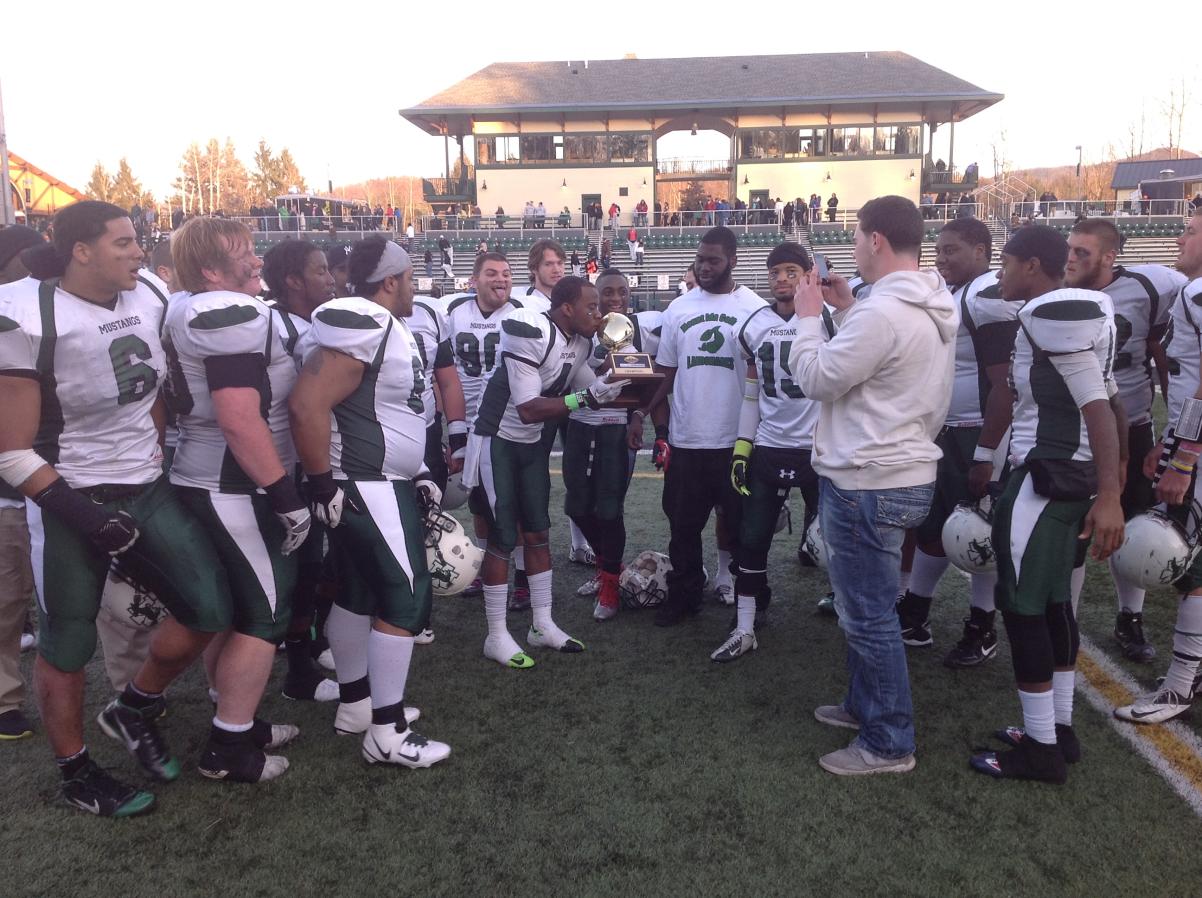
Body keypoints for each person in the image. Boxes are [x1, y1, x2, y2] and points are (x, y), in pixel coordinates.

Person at [0, 202, 233, 815]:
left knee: (209, 605)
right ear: (81, 251)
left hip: (146, 481)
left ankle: (131, 706)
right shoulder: (27, 314)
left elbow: (155, 388)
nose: (139, 252)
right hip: (68, 494)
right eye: (123, 242)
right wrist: (86, 518)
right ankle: (76, 771)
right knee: (66, 640)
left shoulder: (151, 291)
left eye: (138, 240)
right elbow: (10, 452)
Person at [789, 195, 957, 776]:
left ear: (876, 240)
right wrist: (845, 308)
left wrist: (809, 315)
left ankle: (888, 742)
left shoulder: (883, 313)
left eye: (858, 237)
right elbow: (878, 364)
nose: (854, 247)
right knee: (874, 605)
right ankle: (866, 706)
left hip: (868, 477)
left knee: (867, 615)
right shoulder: (921, 302)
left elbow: (816, 377)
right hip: (900, 468)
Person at [968, 225, 1124, 784]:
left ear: (1032, 266)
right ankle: (1058, 729)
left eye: (1006, 264)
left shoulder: (1048, 313)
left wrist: (1112, 494)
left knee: (1023, 610)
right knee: (1055, 605)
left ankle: (1039, 751)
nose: (1000, 274)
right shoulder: (1065, 313)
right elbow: (1112, 400)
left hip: (1046, 481)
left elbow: (1098, 407)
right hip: (1067, 479)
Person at [288, 239, 448, 767]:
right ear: (389, 281)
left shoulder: (387, 327)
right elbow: (307, 403)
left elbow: (388, 408)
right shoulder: (363, 321)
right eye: (408, 276)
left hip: (380, 476)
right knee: (405, 597)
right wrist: (320, 482)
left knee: (356, 592)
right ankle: (388, 733)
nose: (414, 285)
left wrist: (419, 468)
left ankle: (357, 704)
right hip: (364, 480)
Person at [165, 216, 311, 783]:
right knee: (266, 613)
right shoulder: (229, 312)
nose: (256, 260)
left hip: (207, 476)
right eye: (242, 252)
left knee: (233, 609)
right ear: (209, 270)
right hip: (234, 482)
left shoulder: (184, 305)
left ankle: (239, 719)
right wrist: (283, 491)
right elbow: (237, 416)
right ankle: (227, 749)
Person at [463, 276, 623, 668]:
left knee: (537, 531)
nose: (598, 315)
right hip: (497, 439)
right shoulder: (531, 330)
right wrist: (588, 395)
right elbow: (529, 407)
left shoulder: (581, 342)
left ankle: (542, 624)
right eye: (591, 307)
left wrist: (621, 369)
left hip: (532, 444)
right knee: (503, 535)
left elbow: (592, 389)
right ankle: (497, 634)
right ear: (566, 308)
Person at [627, 227, 767, 627]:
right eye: (700, 259)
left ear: (733, 261)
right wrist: (640, 413)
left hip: (737, 440)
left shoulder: (755, 308)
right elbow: (666, 371)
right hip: (688, 440)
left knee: (743, 529)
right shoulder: (679, 309)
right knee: (683, 527)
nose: (704, 267)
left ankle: (749, 599)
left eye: (713, 260)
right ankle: (685, 596)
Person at [1064, 219, 1187, 661]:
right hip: (1076, 431)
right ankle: (1069, 621)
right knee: (1077, 526)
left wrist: (1174, 427)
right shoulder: (1061, 295)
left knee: (1133, 523)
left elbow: (1162, 355)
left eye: (1082, 251)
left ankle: (1129, 617)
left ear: (1110, 256)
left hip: (1133, 424)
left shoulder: (1148, 288)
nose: (1072, 258)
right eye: (1070, 249)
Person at [899, 218, 1017, 668]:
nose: (943, 258)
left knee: (979, 533)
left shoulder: (987, 295)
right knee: (931, 526)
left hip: (979, 431)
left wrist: (988, 451)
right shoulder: (953, 294)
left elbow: (1003, 386)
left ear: (983, 251)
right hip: (946, 430)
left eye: (953, 250)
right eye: (940, 250)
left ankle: (982, 627)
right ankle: (916, 612)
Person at [713, 243, 828, 662]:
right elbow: (751, 393)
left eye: (791, 271)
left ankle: (846, 609)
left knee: (834, 541)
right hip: (771, 444)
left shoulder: (827, 318)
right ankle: (745, 625)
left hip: (821, 450)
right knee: (752, 537)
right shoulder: (753, 325)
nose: (782, 278)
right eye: (775, 271)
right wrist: (743, 448)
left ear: (807, 274)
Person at [1115, 212, 1202, 725]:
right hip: (1187, 440)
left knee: (1186, 565)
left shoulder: (1195, 295)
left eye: (1190, 231)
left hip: (1198, 450)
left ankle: (1178, 686)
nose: (1178, 237)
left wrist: (1184, 457)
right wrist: (1168, 443)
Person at [259, 240, 341, 702]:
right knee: (294, 569)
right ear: (293, 280)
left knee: (313, 565)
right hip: (280, 467)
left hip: (301, 462)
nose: (330, 279)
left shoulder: (305, 323)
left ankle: (305, 653)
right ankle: (295, 669)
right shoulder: (275, 326)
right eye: (321, 271)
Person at [564, 269, 662, 619]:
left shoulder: (628, 338)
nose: (615, 299)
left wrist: (637, 416)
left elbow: (644, 385)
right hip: (577, 425)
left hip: (611, 428)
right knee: (576, 505)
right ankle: (611, 566)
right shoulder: (574, 336)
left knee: (608, 508)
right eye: (607, 294)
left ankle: (609, 585)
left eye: (622, 292)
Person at [0, 225, 47, 741]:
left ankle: (132, 688)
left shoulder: (56, 309)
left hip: (63, 471)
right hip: (9, 487)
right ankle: (4, 697)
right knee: (8, 594)